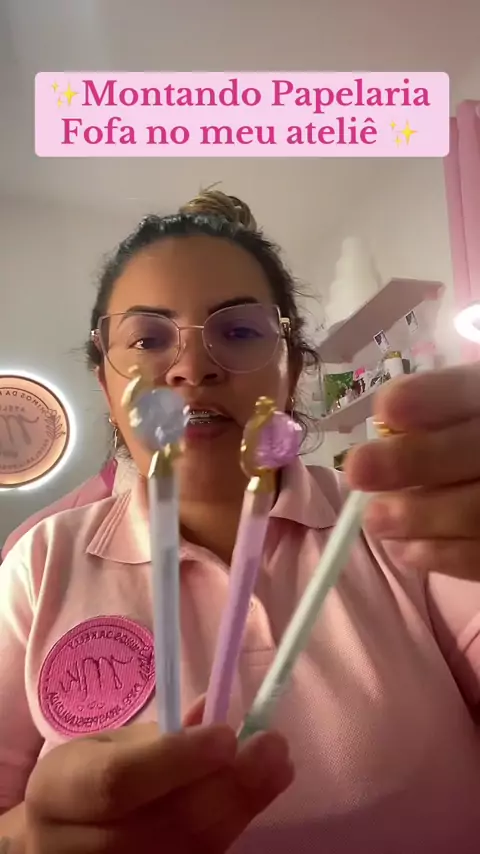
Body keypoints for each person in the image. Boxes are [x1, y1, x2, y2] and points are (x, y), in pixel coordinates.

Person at [0, 189, 480, 853]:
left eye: (240, 331)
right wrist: (30, 839)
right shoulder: (37, 565)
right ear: (106, 386)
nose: (192, 367)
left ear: (290, 372)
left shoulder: (395, 517)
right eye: (147, 339)